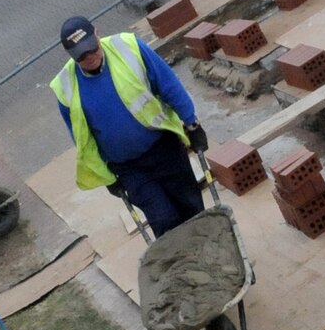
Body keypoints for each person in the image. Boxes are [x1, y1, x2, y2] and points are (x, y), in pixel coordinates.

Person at [51, 16, 208, 236]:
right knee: (164, 220)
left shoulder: (129, 47)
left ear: (97, 33)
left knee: (191, 207)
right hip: (129, 168)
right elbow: (82, 139)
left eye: (92, 49)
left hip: (164, 147)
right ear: (70, 55)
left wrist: (192, 124)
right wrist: (106, 176)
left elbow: (168, 84)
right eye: (81, 56)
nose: (89, 57)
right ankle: (182, 266)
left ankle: (209, 257)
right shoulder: (65, 86)